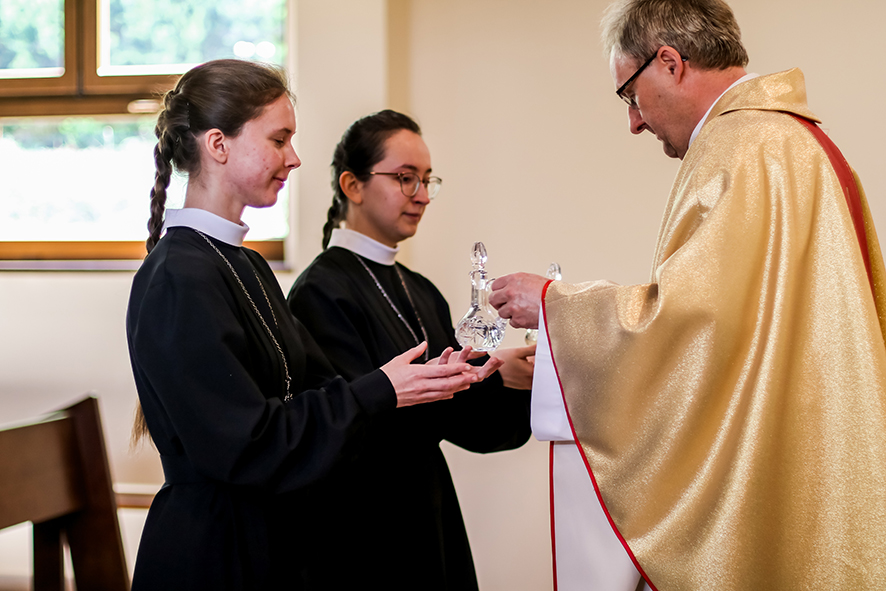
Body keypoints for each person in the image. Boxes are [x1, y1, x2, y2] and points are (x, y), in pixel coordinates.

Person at [490, 1, 886, 589]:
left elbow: (693, 324)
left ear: (670, 63)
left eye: (630, 95)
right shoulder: (792, 141)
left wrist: (552, 307)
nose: (634, 122)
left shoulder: (744, 146)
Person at [126, 60, 485, 591]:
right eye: (279, 139)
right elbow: (248, 443)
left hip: (274, 540)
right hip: (219, 553)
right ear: (218, 144)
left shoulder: (245, 264)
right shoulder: (178, 276)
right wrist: (381, 388)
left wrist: (422, 381)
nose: (293, 158)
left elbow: (315, 391)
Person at [285, 109, 535, 591]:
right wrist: (478, 376)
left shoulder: (419, 289)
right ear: (353, 185)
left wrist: (511, 378)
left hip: (427, 509)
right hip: (364, 527)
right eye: (405, 178)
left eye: (427, 180)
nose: (421, 195)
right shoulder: (321, 291)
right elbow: (350, 425)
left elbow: (466, 421)